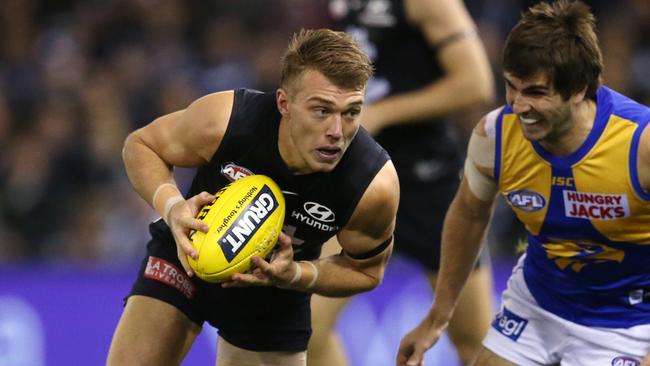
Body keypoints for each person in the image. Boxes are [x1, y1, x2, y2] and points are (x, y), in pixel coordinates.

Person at [106, 28, 400, 366]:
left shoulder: (371, 185)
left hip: (274, 301)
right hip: (186, 258)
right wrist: (172, 207)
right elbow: (141, 146)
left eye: (351, 112)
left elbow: (366, 272)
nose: (336, 132)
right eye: (321, 110)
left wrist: (296, 275)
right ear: (283, 103)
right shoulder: (227, 120)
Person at [397, 1, 650, 365]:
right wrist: (438, 316)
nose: (517, 105)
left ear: (579, 88)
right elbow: (468, 215)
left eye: (535, 92)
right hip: (537, 305)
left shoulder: (640, 144)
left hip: (627, 324)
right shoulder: (494, 135)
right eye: (510, 87)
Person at [308, 0, 495, 364]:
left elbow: (476, 83)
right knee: (308, 330)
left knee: (473, 342)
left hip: (426, 182)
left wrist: (381, 114)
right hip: (360, 179)